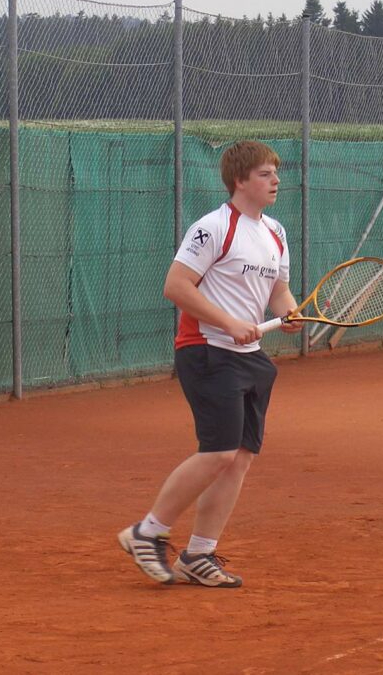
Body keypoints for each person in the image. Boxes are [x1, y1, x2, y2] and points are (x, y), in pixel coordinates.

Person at [118, 140, 302, 588]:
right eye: (264, 173)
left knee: (238, 459)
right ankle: (148, 532)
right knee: (218, 450)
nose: (275, 180)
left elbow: (277, 292)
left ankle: (199, 554)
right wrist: (227, 322)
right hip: (205, 350)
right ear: (239, 181)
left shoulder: (275, 233)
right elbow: (177, 286)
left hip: (250, 358)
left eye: (276, 172)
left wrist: (290, 311)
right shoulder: (212, 228)